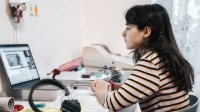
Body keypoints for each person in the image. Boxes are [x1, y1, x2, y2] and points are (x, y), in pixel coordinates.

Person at [90, 4, 194, 112]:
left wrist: (100, 89)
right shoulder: (162, 58)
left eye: (128, 28)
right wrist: (114, 86)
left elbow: (113, 103)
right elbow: (142, 88)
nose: (123, 33)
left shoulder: (151, 62)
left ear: (146, 32)